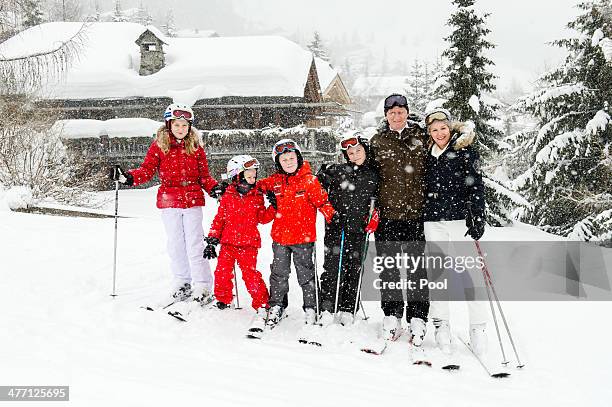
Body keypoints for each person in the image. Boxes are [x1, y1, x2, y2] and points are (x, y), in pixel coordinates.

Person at [109, 103, 225, 304]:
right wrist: (127, 177)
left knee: (195, 244)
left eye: (184, 125)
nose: (181, 129)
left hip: (192, 201)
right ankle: (182, 282)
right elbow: (146, 170)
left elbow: (204, 176)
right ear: (169, 125)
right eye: (177, 125)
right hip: (169, 201)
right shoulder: (159, 146)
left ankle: (203, 285)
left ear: (190, 127)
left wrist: (214, 188)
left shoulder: (196, 148)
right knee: (175, 244)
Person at [422, 107, 488, 355]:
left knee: (470, 274)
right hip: (433, 221)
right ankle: (442, 327)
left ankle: (478, 329)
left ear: (450, 128)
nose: (439, 133)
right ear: (429, 132)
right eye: (434, 130)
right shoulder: (426, 155)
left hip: (461, 220)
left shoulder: (465, 151)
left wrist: (478, 215)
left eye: (443, 128)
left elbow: (477, 185)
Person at [369, 93, 430, 347]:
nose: (396, 115)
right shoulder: (377, 141)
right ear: (386, 115)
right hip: (388, 216)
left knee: (416, 268)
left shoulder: (421, 137)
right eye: (391, 112)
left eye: (401, 111)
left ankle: (418, 317)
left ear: (407, 112)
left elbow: (445, 141)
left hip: (416, 214)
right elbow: (366, 173)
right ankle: (392, 314)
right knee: (390, 268)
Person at [258, 139, 335, 328]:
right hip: (280, 238)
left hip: (303, 239)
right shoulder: (274, 181)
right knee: (278, 274)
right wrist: (239, 186)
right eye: (284, 160)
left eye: (292, 158)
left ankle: (311, 308)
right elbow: (255, 186)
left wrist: (335, 217)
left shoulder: (309, 181)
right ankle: (276, 305)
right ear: (278, 163)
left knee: (306, 276)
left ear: (298, 158)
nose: (289, 162)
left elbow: (323, 202)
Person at [203, 155, 275, 333]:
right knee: (221, 272)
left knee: (250, 275)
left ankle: (262, 303)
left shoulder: (257, 195)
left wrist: (273, 207)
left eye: (254, 173)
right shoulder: (227, 196)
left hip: (248, 244)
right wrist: (212, 239)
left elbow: (262, 218)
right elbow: (219, 219)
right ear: (237, 175)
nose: (253, 176)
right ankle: (223, 299)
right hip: (227, 243)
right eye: (248, 173)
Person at [316, 132, 379, 326]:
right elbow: (315, 186)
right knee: (333, 267)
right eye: (350, 153)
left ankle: (348, 308)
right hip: (336, 227)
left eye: (358, 151)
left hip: (359, 228)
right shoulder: (337, 171)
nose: (354, 155)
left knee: (354, 268)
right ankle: (327, 307)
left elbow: (380, 200)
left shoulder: (374, 175)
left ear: (366, 150)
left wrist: (376, 215)